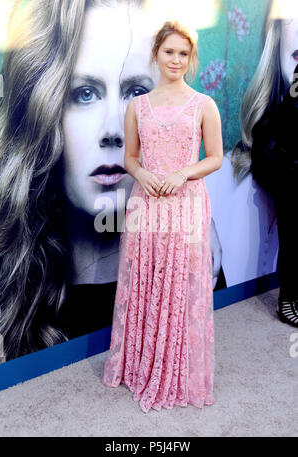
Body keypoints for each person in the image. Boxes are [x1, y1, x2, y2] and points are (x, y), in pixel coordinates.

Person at [0, 0, 156, 360]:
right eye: (84, 94)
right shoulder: (7, 275)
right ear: (43, 109)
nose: (114, 131)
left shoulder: (192, 257)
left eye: (137, 93)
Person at [102, 21, 223, 413]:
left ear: (191, 59)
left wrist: (182, 172)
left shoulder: (204, 104)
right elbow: (130, 158)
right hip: (146, 203)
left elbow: (216, 158)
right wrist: (143, 174)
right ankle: (140, 363)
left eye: (183, 54)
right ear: (156, 54)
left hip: (186, 203)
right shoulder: (138, 106)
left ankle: (175, 368)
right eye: (169, 51)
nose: (175, 59)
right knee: (144, 281)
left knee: (179, 287)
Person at [230, 6, 298, 326]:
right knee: (293, 241)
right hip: (288, 184)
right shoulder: (278, 111)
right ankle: (287, 302)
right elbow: (268, 158)